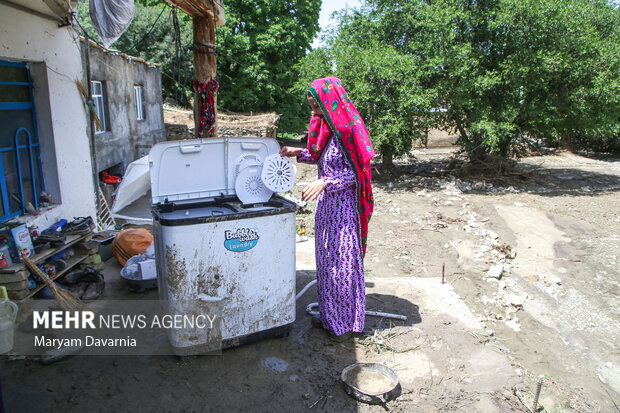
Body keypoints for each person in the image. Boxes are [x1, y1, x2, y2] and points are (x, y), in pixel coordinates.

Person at [280, 77, 374, 336]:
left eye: (317, 106)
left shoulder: (350, 129)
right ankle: (330, 316)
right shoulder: (327, 127)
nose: (314, 112)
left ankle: (345, 323)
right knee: (326, 263)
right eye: (311, 106)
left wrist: (325, 182)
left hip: (344, 209)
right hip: (326, 209)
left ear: (330, 103)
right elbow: (320, 155)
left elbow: (358, 174)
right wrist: (297, 152)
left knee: (342, 264)